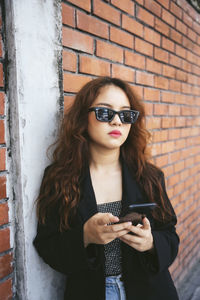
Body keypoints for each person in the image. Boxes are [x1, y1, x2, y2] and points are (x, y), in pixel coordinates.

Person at [33, 77, 179, 300]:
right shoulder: (59, 178)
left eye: (126, 114)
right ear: (84, 117)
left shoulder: (149, 177)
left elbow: (170, 236)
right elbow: (47, 245)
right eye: (105, 113)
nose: (117, 122)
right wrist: (85, 236)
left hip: (150, 291)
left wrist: (151, 243)